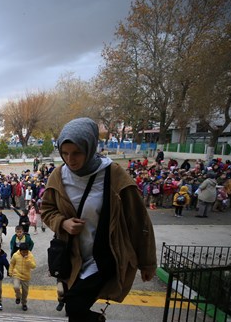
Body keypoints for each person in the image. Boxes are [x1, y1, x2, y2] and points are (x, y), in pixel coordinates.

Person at [41, 117, 157, 321]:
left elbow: (139, 222)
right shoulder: (58, 176)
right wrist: (63, 223)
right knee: (72, 309)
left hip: (106, 255)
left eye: (77, 152)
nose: (70, 159)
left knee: (76, 306)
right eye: (65, 153)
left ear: (90, 147)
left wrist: (147, 263)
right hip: (72, 258)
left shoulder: (114, 175)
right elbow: (47, 210)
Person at [9, 242, 36, 311]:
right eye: (23, 252)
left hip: (26, 277)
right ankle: (18, 297)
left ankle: (24, 303)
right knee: (16, 287)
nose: (25, 254)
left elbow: (33, 266)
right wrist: (10, 271)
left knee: (25, 292)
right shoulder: (15, 255)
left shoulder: (30, 256)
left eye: (26, 252)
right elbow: (12, 263)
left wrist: (27, 260)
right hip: (17, 275)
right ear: (20, 251)